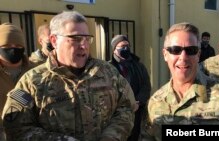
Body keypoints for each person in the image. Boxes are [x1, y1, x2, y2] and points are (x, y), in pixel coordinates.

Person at [2, 11, 136, 141]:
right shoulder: (31, 82)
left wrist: (111, 137)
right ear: (54, 41)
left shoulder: (108, 72)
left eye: (87, 39)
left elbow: (126, 107)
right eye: (76, 39)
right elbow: (17, 129)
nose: (83, 45)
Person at [140, 22, 219, 141]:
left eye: (191, 50)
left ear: (198, 54)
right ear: (165, 54)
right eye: (175, 50)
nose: (183, 57)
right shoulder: (155, 102)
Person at [110, 35, 151, 141]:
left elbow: (146, 86)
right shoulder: (108, 68)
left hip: (137, 111)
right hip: (116, 114)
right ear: (114, 50)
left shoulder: (139, 66)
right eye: (122, 46)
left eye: (128, 46)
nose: (126, 49)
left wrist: (138, 102)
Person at [0, 23, 35, 141]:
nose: (13, 48)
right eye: (7, 45)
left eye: (18, 45)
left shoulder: (36, 71)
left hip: (31, 134)